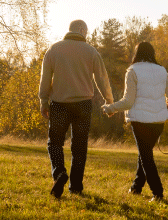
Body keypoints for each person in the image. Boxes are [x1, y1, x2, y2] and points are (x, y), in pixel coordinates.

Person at [39, 19, 114, 199]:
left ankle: (59, 173)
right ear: (81, 30)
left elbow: (45, 77)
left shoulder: (54, 49)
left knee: (55, 142)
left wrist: (43, 100)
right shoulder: (91, 51)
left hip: (59, 104)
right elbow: (102, 79)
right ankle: (76, 187)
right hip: (83, 104)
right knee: (79, 147)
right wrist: (109, 101)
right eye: (86, 31)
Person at [102, 41, 168, 202]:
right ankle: (136, 187)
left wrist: (111, 108)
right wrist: (163, 100)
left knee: (146, 157)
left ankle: (158, 193)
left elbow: (128, 102)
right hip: (158, 122)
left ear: (136, 53)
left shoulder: (132, 70)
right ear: (152, 53)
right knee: (145, 154)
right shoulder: (162, 71)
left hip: (140, 121)